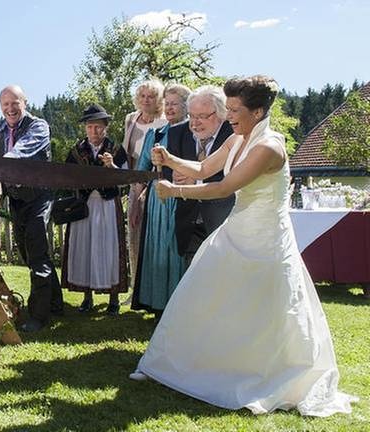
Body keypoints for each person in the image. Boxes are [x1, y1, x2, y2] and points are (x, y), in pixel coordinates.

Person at [131, 75, 357, 416]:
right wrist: (173, 161)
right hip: (234, 233)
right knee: (200, 293)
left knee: (262, 308)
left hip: (266, 240)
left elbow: (223, 187)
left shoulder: (268, 147)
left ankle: (265, 375)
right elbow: (206, 168)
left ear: (259, 111)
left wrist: (175, 191)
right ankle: (180, 366)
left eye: (235, 109)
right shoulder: (237, 138)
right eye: (229, 108)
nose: (230, 115)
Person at [0, 85, 63, 332]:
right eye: (5, 104)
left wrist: (3, 162)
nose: (10, 109)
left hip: (39, 197)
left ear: (25, 102)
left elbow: (23, 150)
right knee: (29, 252)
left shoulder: (38, 126)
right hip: (17, 198)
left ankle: (38, 316)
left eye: (15, 103)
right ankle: (56, 302)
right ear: (0, 106)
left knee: (38, 254)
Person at [61, 104, 128, 315]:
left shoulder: (116, 150)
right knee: (84, 247)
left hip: (108, 203)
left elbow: (126, 181)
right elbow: (66, 179)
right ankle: (86, 297)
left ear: (106, 127)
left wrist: (113, 168)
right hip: (84, 205)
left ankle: (114, 299)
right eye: (90, 127)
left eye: (98, 127)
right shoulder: (76, 151)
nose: (94, 132)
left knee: (109, 247)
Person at [131, 84, 191, 316]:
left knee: (177, 250)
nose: (170, 107)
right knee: (157, 251)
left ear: (186, 106)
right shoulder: (155, 134)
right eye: (167, 103)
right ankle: (158, 305)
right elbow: (141, 173)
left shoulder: (193, 132)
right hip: (157, 202)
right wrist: (136, 204)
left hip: (184, 199)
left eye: (175, 103)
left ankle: (180, 308)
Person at [169, 86, 235, 269]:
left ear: (221, 113)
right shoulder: (177, 134)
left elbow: (232, 180)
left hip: (224, 225)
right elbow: (167, 172)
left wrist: (196, 180)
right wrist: (174, 175)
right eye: (191, 116)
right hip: (189, 225)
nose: (194, 123)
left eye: (202, 116)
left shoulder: (236, 135)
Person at [123, 80, 168, 283]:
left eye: (151, 96)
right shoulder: (131, 119)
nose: (146, 100)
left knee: (153, 234)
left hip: (157, 181)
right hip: (135, 181)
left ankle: (154, 284)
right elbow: (127, 153)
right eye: (142, 96)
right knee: (134, 233)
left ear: (159, 99)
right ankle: (135, 286)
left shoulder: (165, 121)